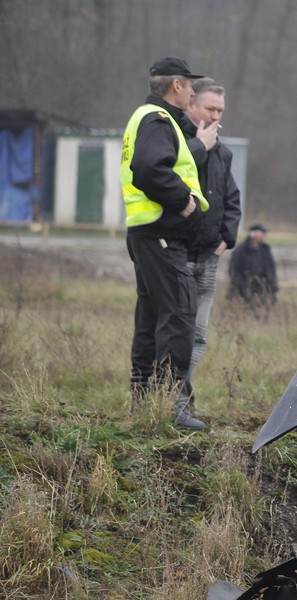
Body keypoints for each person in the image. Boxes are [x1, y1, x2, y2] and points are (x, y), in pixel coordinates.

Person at [121, 57, 209, 430]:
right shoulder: (157, 120)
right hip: (160, 233)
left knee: (152, 317)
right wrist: (182, 199)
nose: (193, 92)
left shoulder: (148, 118)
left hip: (148, 234)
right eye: (190, 85)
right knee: (178, 314)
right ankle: (171, 405)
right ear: (176, 86)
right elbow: (148, 168)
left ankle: (144, 402)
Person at [183, 77, 242, 417]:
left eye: (220, 110)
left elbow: (231, 200)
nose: (216, 115)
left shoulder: (223, 153)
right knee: (178, 335)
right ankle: (174, 400)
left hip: (209, 256)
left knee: (199, 337)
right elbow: (166, 179)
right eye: (210, 108)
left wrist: (227, 237)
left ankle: (181, 398)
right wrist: (198, 148)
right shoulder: (178, 142)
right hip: (178, 253)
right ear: (192, 105)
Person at [228, 223, 278, 315]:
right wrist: (243, 287)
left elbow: (271, 270)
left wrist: (273, 288)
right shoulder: (240, 250)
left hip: (262, 290)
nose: (264, 235)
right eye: (262, 233)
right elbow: (233, 271)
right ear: (254, 234)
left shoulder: (265, 250)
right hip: (242, 291)